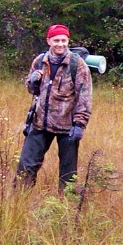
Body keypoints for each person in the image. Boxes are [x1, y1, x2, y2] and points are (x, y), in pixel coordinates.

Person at [16, 24, 92, 191]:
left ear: (68, 41)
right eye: (56, 40)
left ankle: (65, 208)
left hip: (68, 127)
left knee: (68, 175)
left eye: (64, 40)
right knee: (25, 167)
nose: (60, 44)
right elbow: (32, 90)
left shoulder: (77, 64)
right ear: (49, 41)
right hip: (40, 123)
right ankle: (19, 203)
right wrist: (32, 81)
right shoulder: (39, 61)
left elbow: (84, 97)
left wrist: (79, 125)